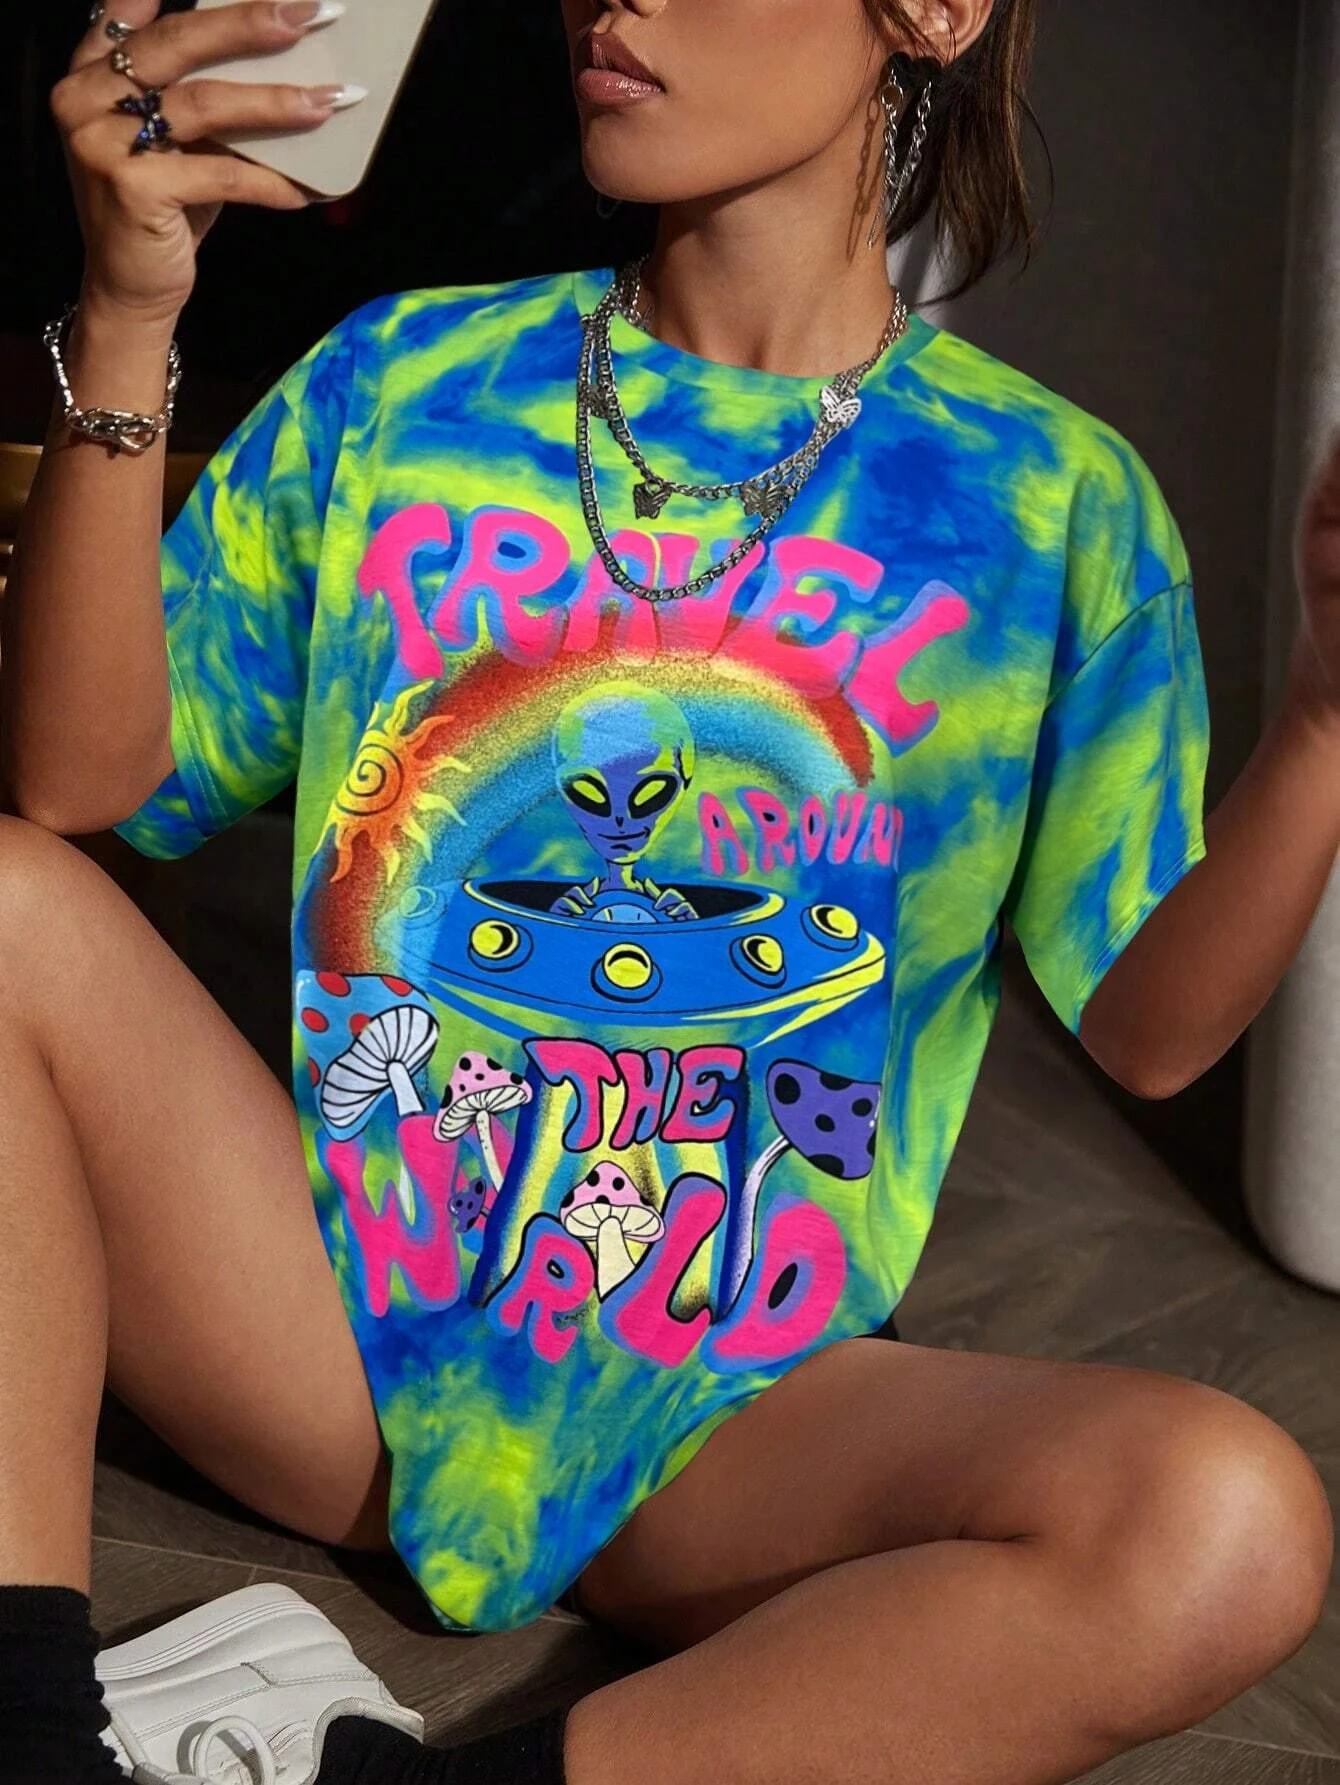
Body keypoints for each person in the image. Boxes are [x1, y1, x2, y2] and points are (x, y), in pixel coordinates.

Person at [2, 0, 1337, 1781]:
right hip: (325, 1336)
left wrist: (1325, 722)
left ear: (932, 11)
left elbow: (1153, 1032)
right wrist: (127, 310)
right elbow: (75, 788)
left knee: (1226, 1522)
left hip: (731, 1418)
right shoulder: (404, 381)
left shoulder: (1050, 507)